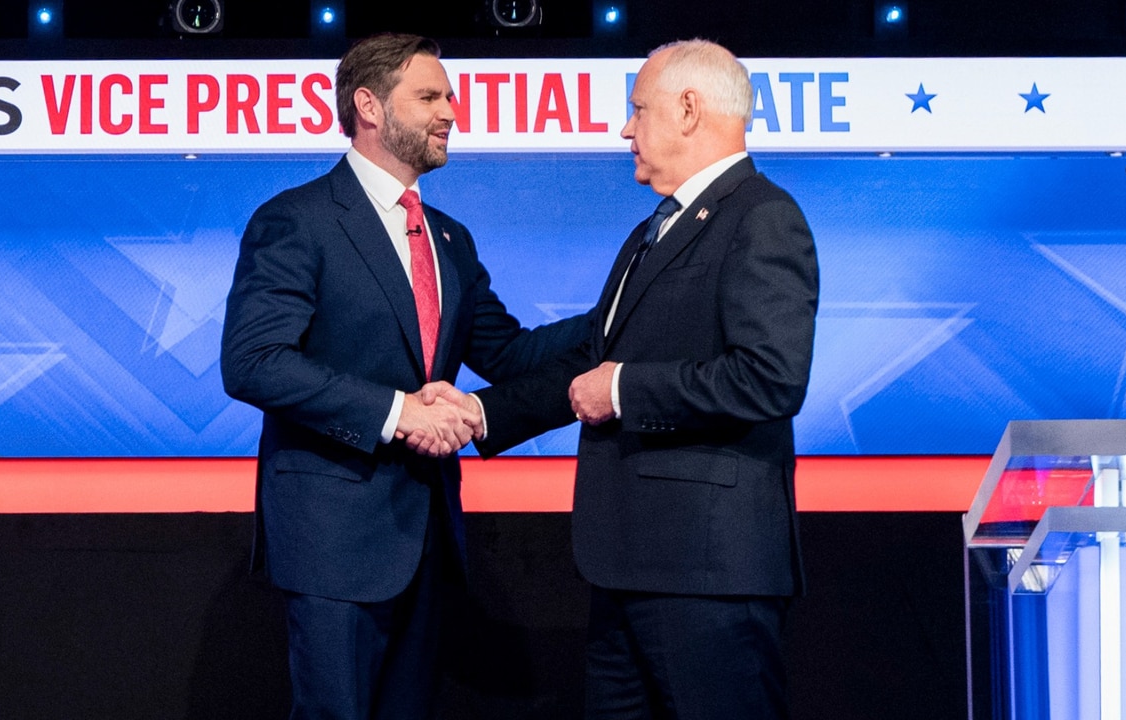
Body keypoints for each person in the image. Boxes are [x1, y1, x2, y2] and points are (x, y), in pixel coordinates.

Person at [421, 39, 819, 718]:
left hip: (708, 577)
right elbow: (590, 362)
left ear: (689, 109)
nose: (626, 129)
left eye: (638, 109)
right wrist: (481, 414)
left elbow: (770, 378)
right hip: (628, 569)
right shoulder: (650, 233)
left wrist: (627, 390)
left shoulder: (761, 218)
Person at [219, 33, 588, 720]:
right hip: (332, 543)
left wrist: (620, 317)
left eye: (447, 95)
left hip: (427, 541)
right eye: (429, 96)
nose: (450, 111)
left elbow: (508, 355)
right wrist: (398, 411)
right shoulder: (296, 221)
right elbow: (253, 362)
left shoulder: (449, 237)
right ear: (368, 105)